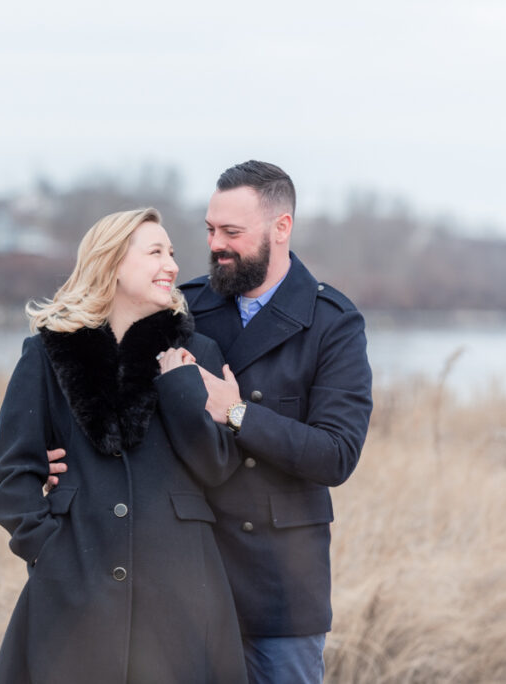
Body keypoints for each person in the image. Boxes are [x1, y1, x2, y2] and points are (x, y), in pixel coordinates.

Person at [47, 161, 373, 684]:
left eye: (232, 233)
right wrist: (59, 451)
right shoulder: (183, 307)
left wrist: (238, 412)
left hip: (279, 588)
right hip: (183, 572)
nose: (215, 244)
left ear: (280, 228)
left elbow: (335, 455)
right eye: (210, 229)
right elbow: (106, 385)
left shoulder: (332, 323)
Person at [0, 208, 249, 684]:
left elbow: (216, 469)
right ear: (111, 263)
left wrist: (182, 387)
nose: (171, 265)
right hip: (74, 585)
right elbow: (14, 472)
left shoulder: (199, 353)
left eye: (171, 252)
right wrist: (48, 551)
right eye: (155, 252)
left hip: (183, 592)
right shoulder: (49, 354)